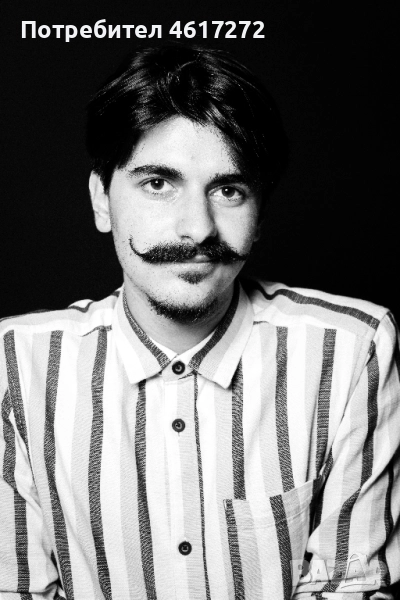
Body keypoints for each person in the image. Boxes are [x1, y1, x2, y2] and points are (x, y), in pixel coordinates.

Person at [0, 44, 399, 600]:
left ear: (260, 211)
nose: (198, 227)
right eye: (158, 184)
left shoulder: (353, 350)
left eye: (228, 190)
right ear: (101, 199)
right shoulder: (16, 365)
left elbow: (349, 587)